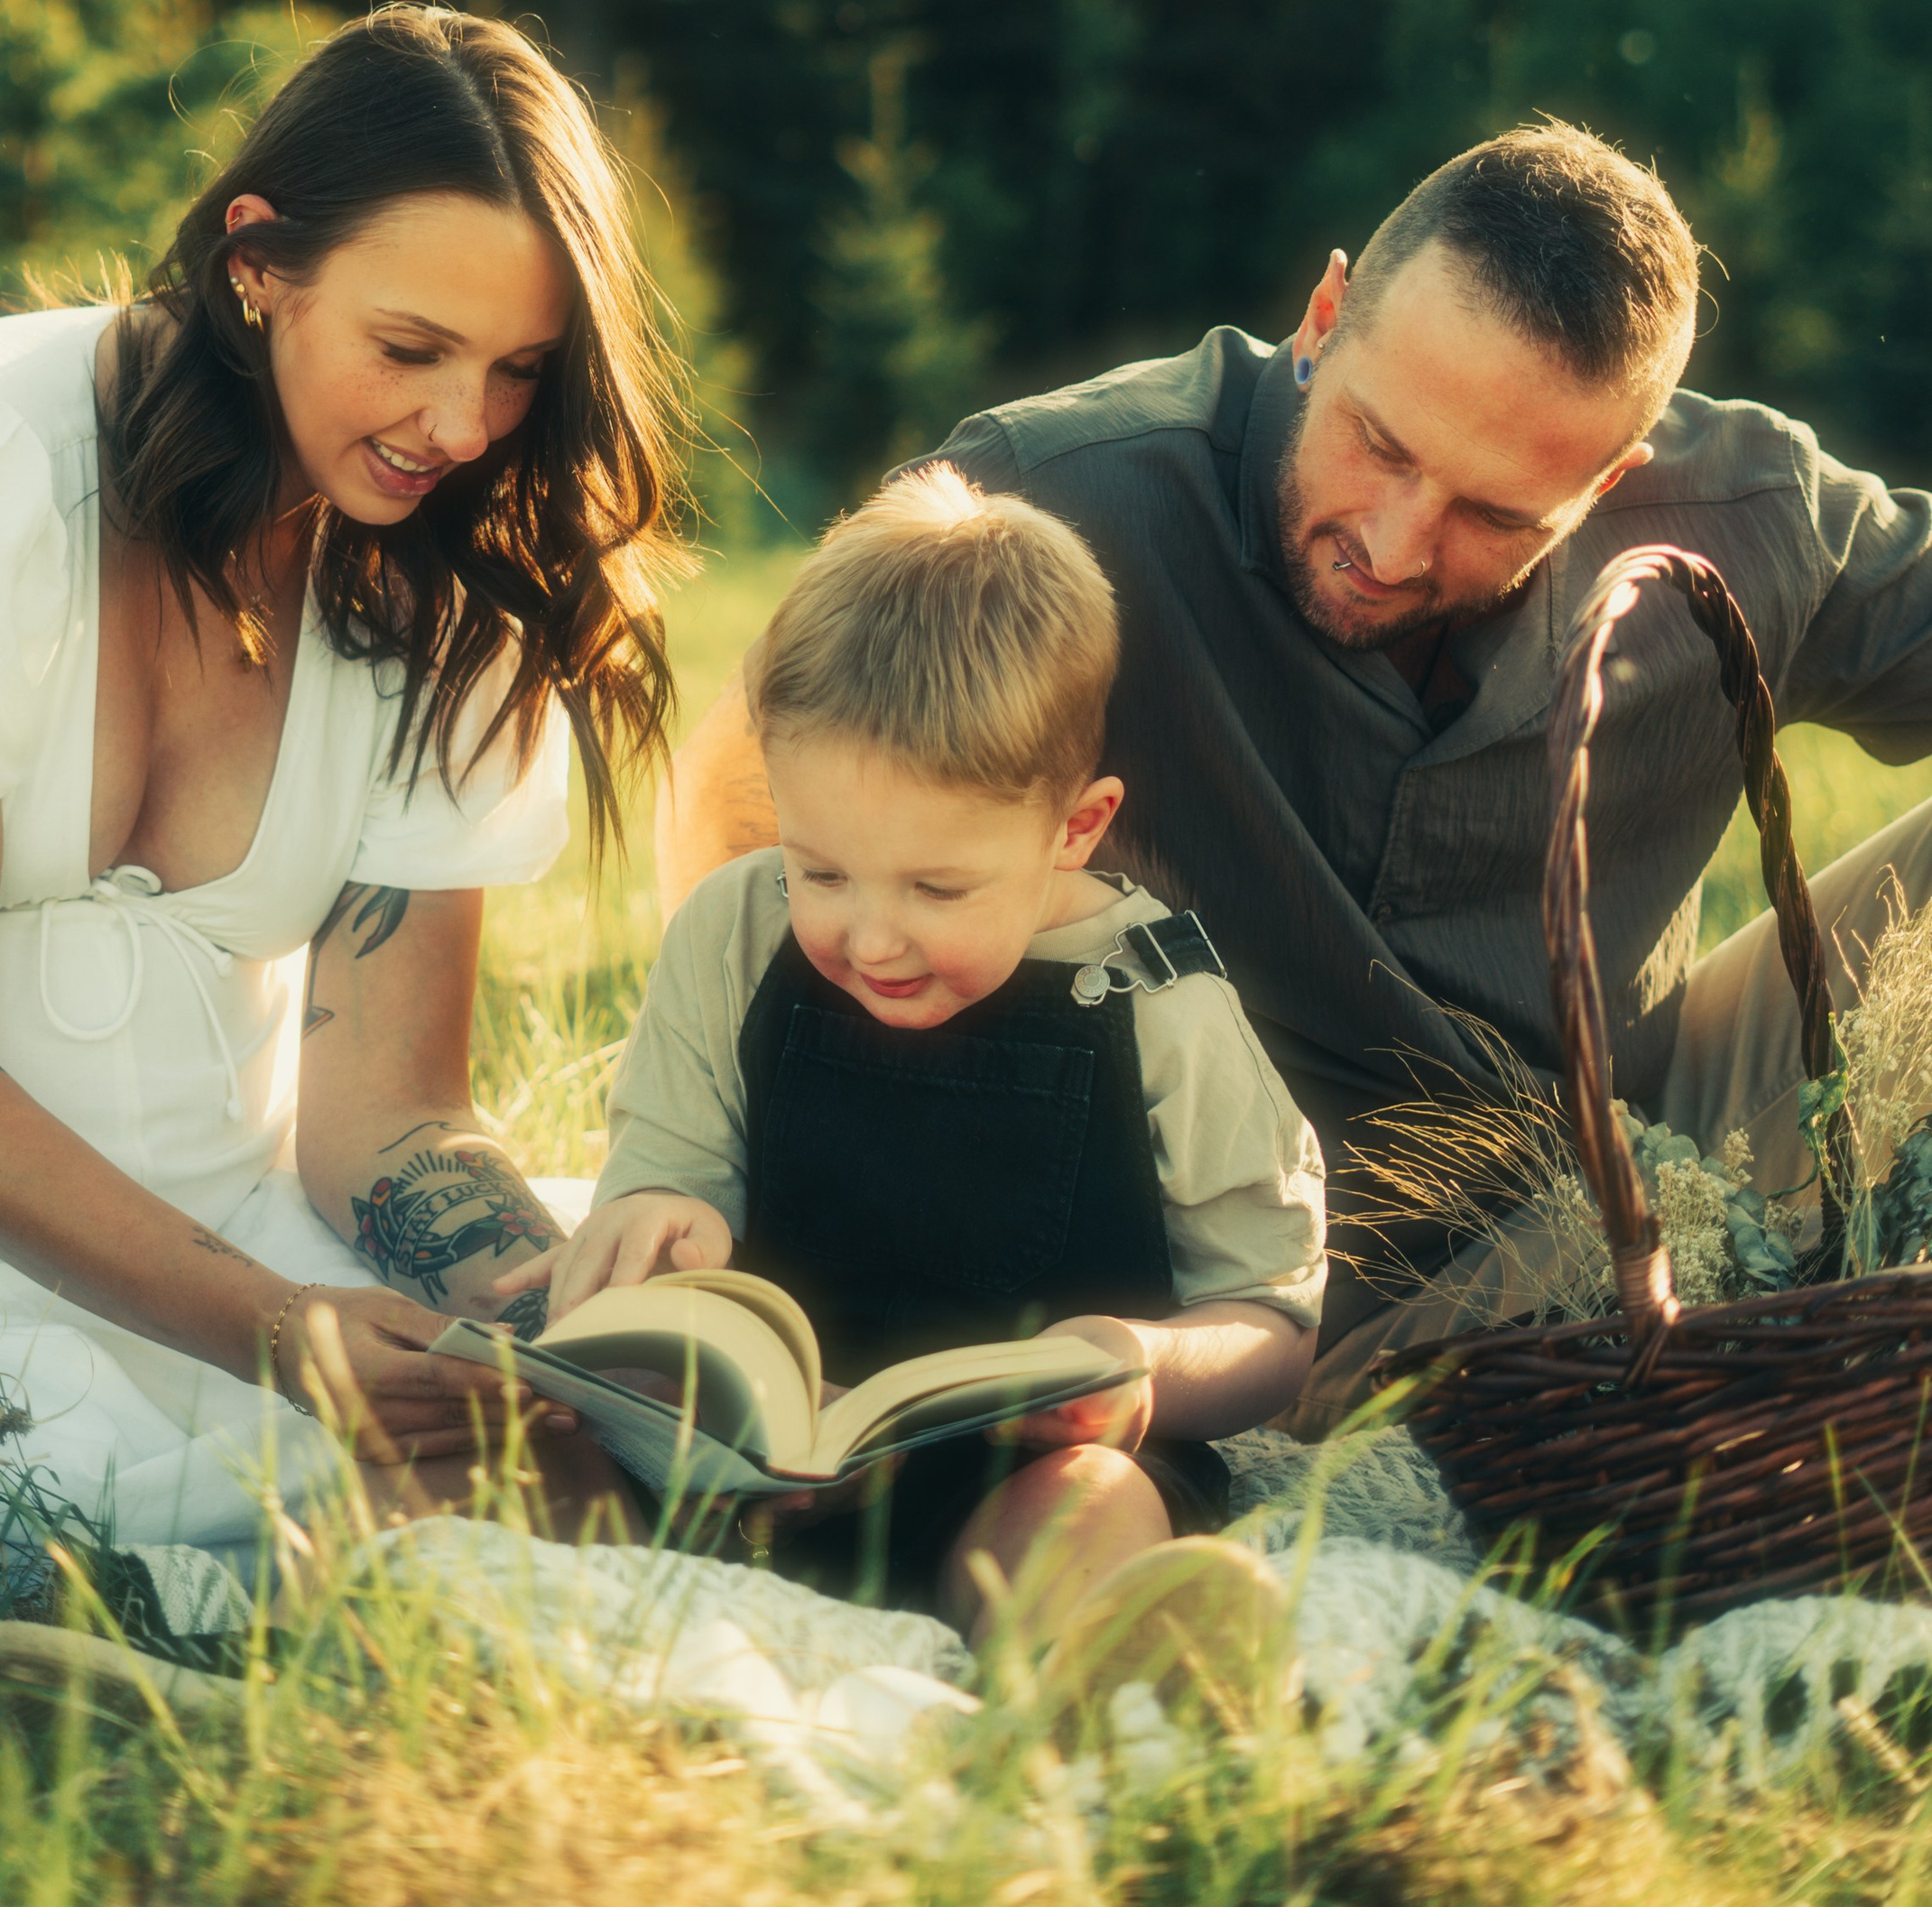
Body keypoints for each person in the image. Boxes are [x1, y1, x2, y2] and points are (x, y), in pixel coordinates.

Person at [658, 123, 1932, 1424]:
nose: (1392, 541)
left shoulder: (1753, 520)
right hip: (1237, 1260)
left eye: (1495, 516)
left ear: (1609, 477)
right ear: (1323, 316)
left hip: (1640, 1155)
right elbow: (761, 783)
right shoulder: (1056, 496)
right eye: (1378, 444)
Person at [0, 4, 678, 1559]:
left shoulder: (450, 583)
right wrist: (278, 1331)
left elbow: (386, 1116)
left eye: (519, 370)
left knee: (579, 1469)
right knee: (219, 1523)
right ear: (257, 262)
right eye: (410, 350)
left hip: (244, 1264)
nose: (461, 427)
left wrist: (543, 1318)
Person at [536, 469, 1324, 1667]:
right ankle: (590, 1654)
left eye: (937, 889)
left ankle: (1095, 1674)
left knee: (1090, 1516)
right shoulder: (733, 935)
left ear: (1077, 824)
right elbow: (661, 1169)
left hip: (1031, 1476)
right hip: (764, 1473)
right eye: (822, 870)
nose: (870, 936)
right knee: (515, 1452)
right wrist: (655, 1224)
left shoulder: (1165, 1001)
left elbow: (1274, 1323)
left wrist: (1148, 1365)